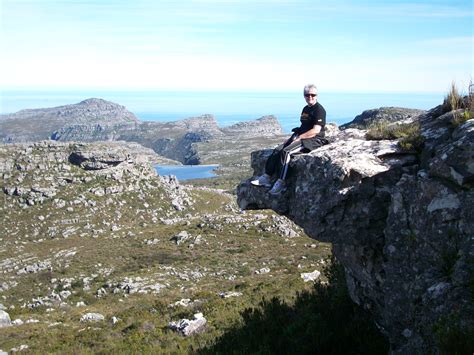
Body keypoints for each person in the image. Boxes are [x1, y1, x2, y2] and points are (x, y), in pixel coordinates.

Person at [250, 84, 328, 194]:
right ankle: (266, 177)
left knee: (286, 152)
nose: (310, 97)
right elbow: (303, 126)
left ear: (316, 95)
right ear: (304, 96)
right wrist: (292, 137)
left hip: (313, 140)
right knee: (278, 150)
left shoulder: (319, 110)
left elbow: (315, 130)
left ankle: (281, 182)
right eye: (307, 95)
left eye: (312, 94)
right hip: (301, 135)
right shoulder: (306, 109)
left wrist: (299, 138)